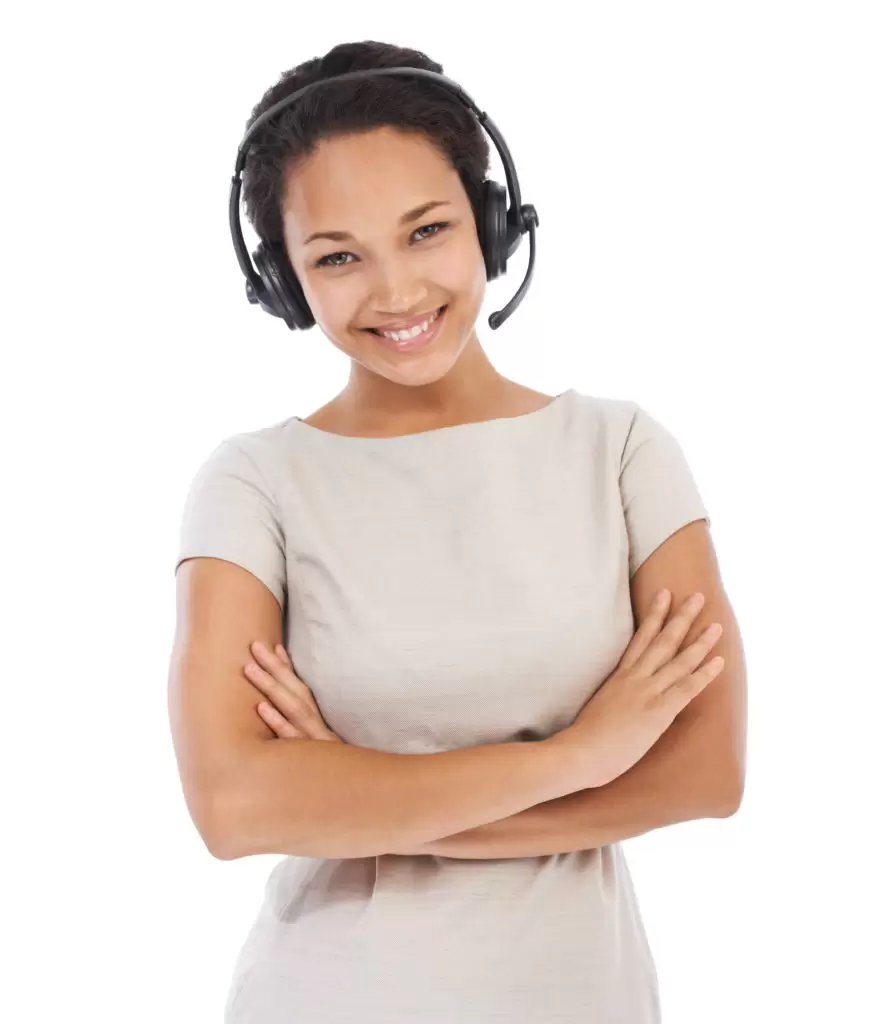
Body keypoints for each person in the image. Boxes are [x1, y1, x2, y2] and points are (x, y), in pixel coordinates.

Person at [169, 39, 744, 1023]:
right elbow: (233, 806)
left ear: (489, 223)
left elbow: (706, 769)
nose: (394, 292)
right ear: (284, 284)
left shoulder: (620, 449)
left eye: (427, 230)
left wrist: (371, 798)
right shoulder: (254, 480)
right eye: (337, 256)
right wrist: (583, 751)